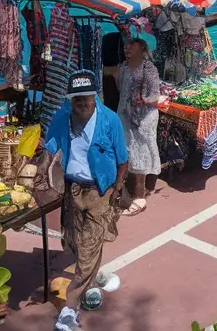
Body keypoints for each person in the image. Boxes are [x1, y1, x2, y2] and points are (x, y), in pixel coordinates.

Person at [45, 70, 129, 330]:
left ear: (96, 97)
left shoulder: (110, 121)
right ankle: (93, 279)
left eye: (87, 99)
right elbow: (48, 152)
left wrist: (116, 190)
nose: (83, 105)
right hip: (72, 190)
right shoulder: (61, 119)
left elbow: (123, 159)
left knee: (90, 245)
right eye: (77, 100)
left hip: (99, 191)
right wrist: (36, 174)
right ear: (70, 100)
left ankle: (70, 308)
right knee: (75, 243)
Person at [117, 38, 162, 216]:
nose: (126, 48)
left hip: (143, 117)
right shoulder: (123, 67)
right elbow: (121, 88)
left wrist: (140, 100)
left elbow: (154, 95)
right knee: (127, 150)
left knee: (140, 152)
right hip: (125, 115)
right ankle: (128, 188)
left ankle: (139, 197)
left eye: (131, 45)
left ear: (142, 46)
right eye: (125, 45)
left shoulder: (148, 68)